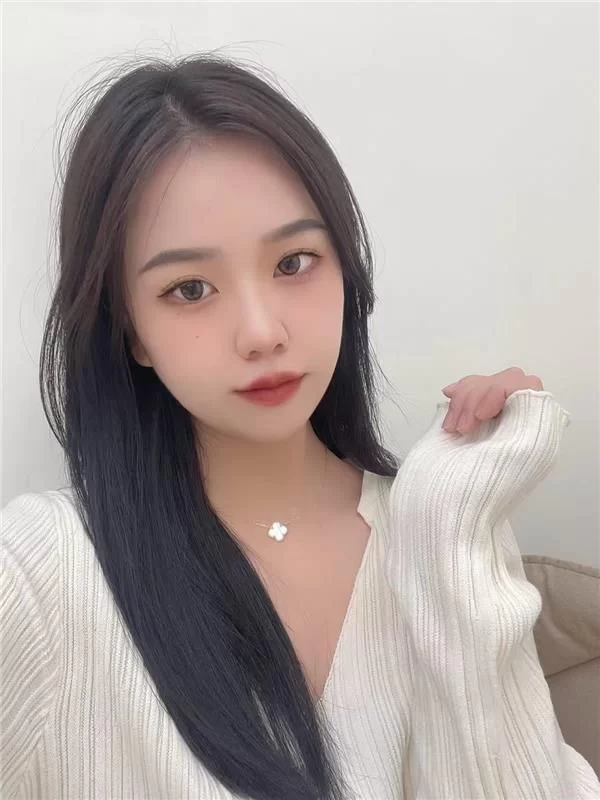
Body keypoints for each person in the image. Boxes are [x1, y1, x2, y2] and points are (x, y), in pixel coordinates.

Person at [1, 54, 598, 800]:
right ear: (131, 332)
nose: (262, 332)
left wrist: (449, 517)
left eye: (293, 263)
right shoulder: (40, 573)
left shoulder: (441, 534)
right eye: (190, 288)